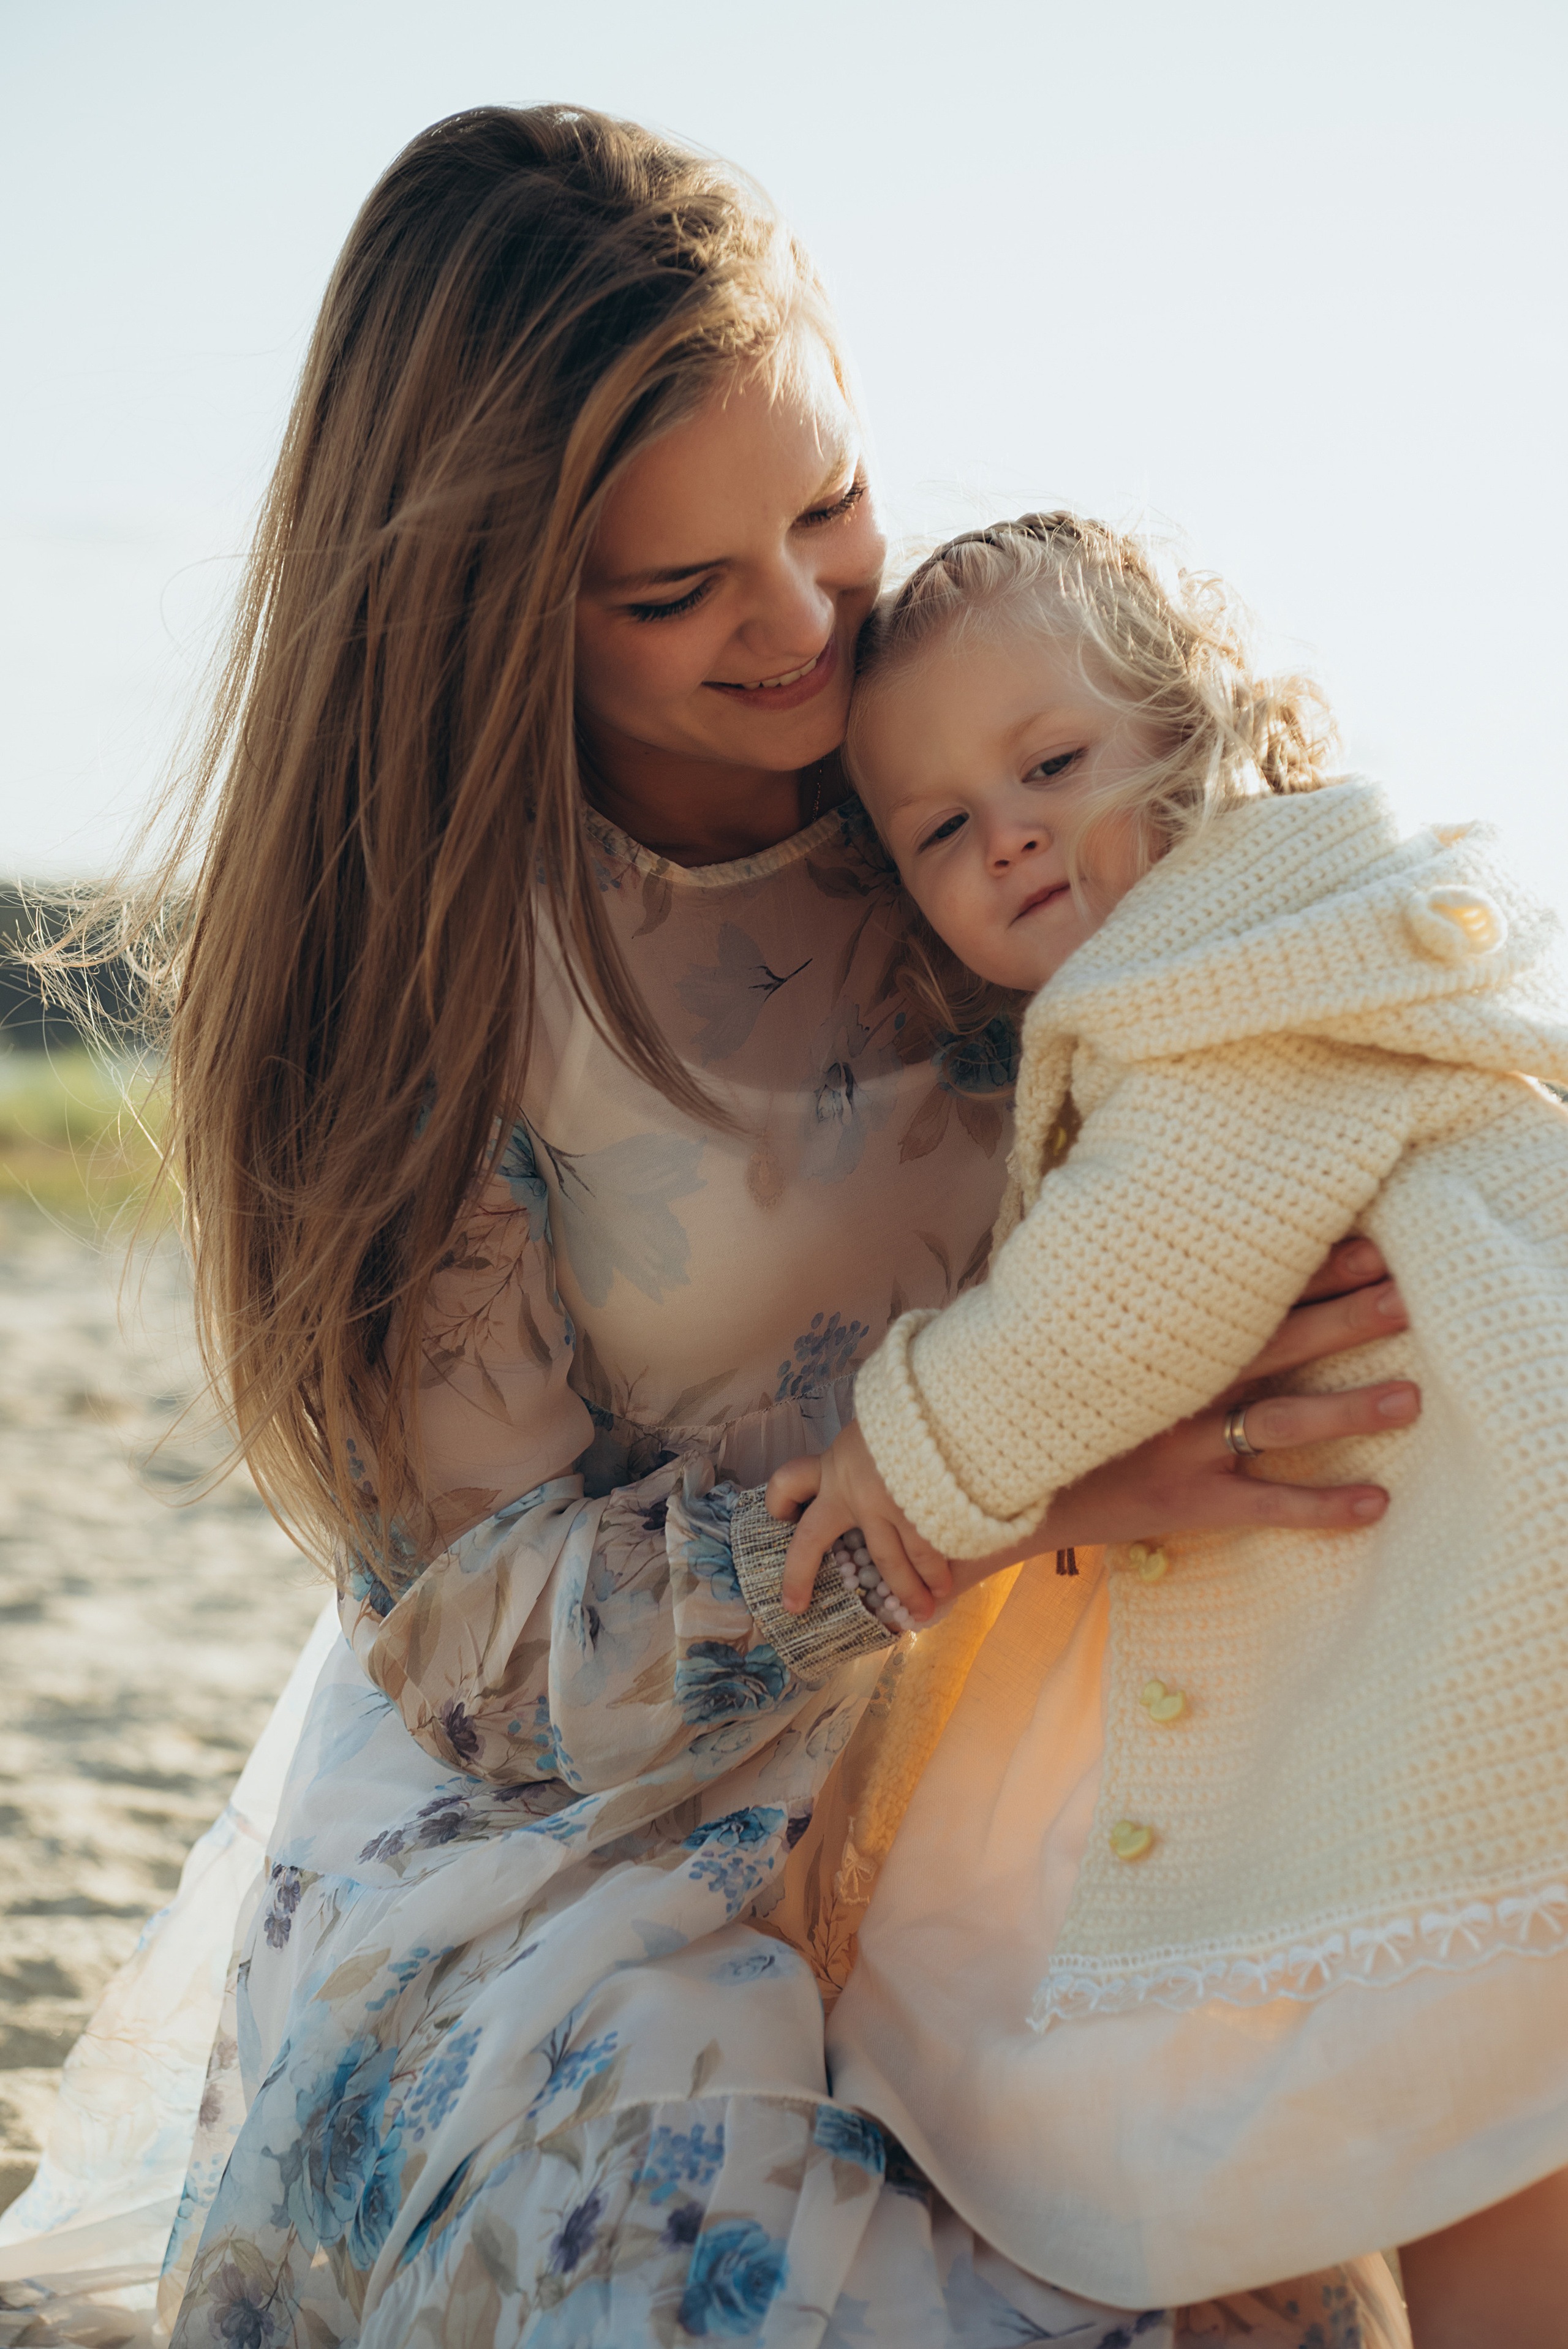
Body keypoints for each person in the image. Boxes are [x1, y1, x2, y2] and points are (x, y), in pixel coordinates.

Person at [1, 116, 1419, 2348]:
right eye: (676, 594)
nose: (807, 622)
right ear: (485, 602)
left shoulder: (977, 734)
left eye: (828, 503)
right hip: (600, 1827)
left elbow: (1270, 977)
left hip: (1065, 1709)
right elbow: (477, 1644)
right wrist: (1002, 1492)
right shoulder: (417, 978)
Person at [773, 511, 1568, 2349]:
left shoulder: (1226, 976)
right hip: (1490, 1551)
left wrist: (907, 1437)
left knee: (1489, 2124)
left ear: (1189, 728)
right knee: (1507, 2110)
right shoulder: (1315, 928)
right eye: (947, 831)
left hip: (1505, 1595)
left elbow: (1128, 1294)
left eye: (1051, 764)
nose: (1014, 833)